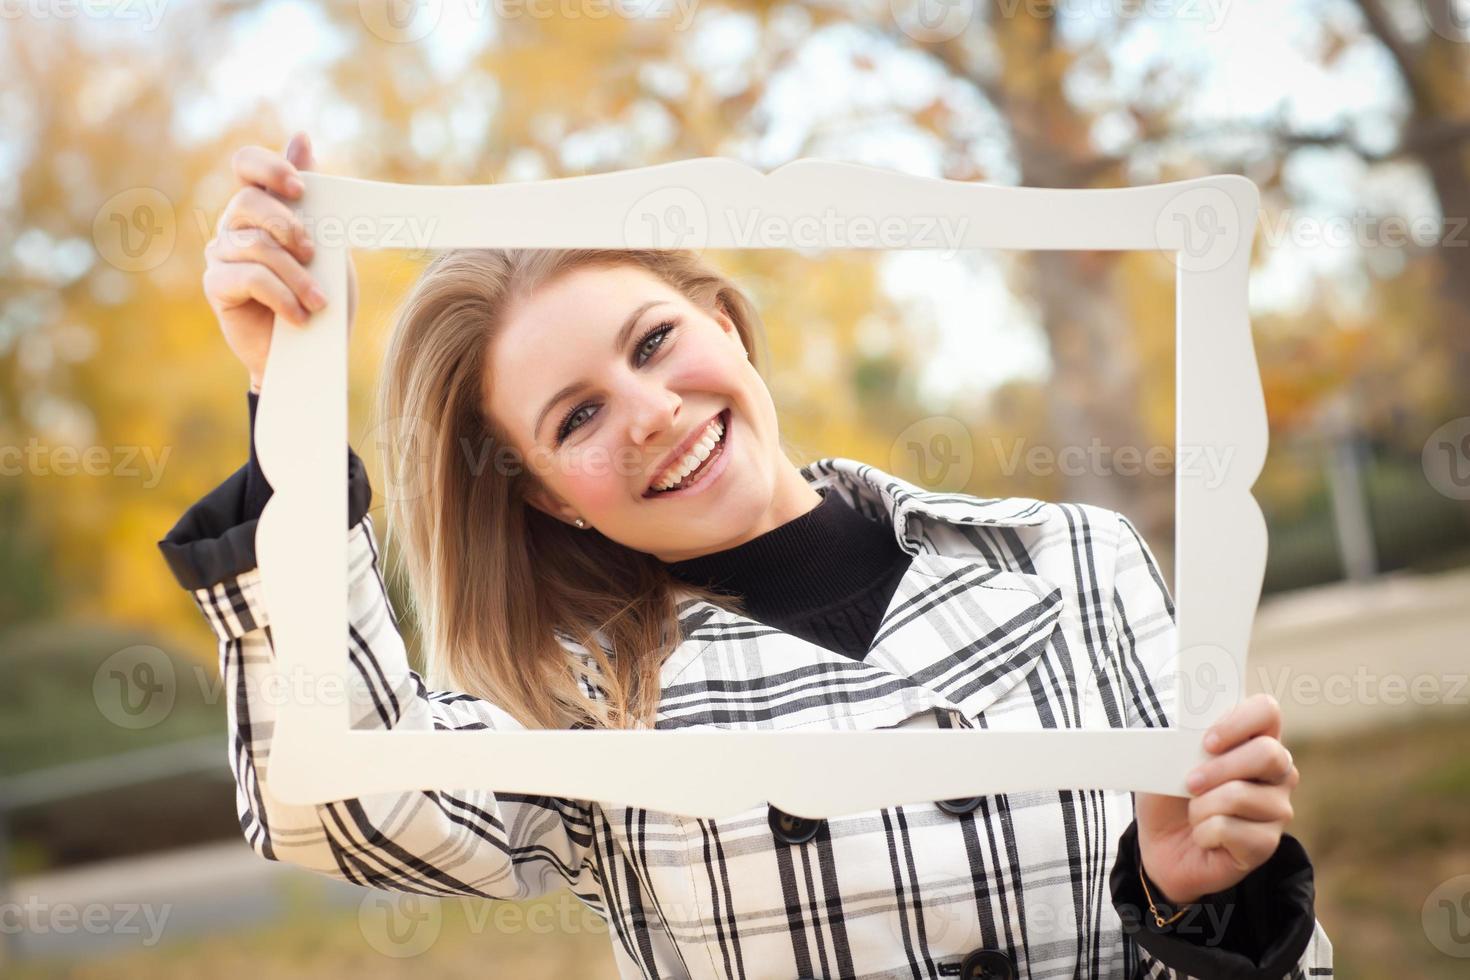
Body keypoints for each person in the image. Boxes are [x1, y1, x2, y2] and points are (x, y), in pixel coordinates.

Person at [157, 131, 1333, 980]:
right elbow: (343, 796)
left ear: (723, 318)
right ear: (546, 497)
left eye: (656, 341)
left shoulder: (1077, 556)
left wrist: (1209, 910)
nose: (653, 410)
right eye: (575, 417)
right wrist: (293, 398)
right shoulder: (580, 703)